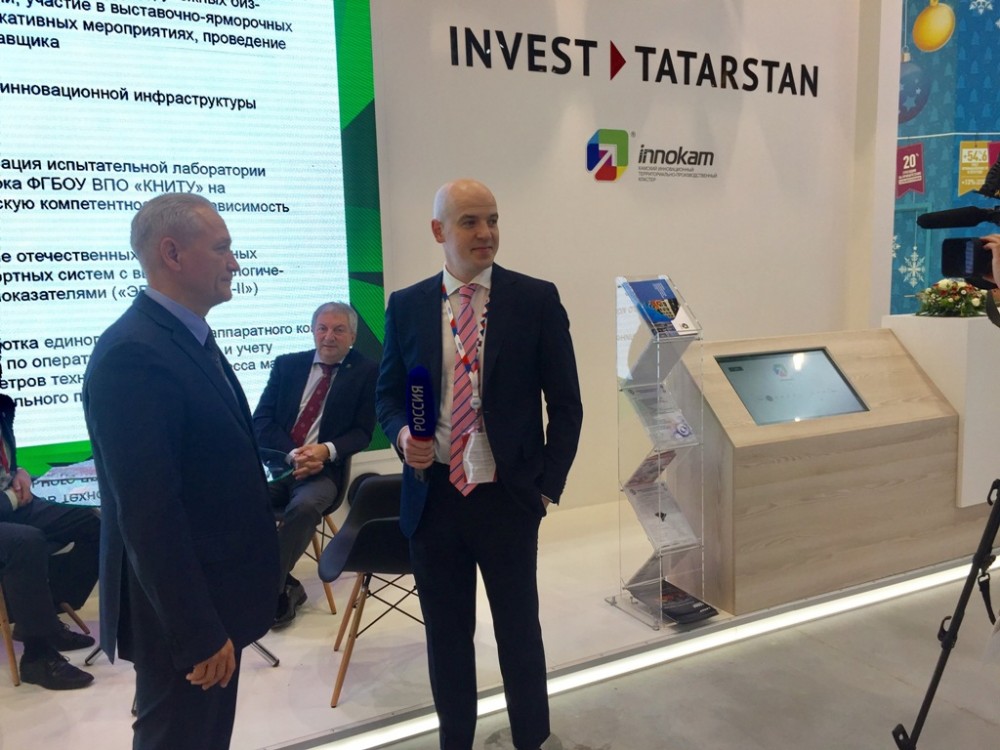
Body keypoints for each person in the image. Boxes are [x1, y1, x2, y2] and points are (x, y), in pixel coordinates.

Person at [375, 179, 584, 750]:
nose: (486, 232)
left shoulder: (535, 299)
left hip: (508, 497)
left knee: (519, 633)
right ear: (438, 231)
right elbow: (387, 395)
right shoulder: (407, 305)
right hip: (434, 499)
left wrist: (547, 486)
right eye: (470, 221)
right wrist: (402, 437)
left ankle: (531, 739)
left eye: (492, 219)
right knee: (447, 639)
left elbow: (566, 404)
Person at [82, 193, 279, 750]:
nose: (234, 263)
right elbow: (149, 514)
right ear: (171, 253)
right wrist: (198, 632)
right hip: (185, 619)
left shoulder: (185, 338)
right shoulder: (133, 354)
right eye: (221, 249)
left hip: (215, 600)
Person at [253, 301, 377, 628]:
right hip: (279, 466)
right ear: (312, 331)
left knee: (306, 507)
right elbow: (261, 421)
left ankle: (265, 587)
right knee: (235, 499)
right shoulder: (287, 365)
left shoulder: (367, 372)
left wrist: (324, 451)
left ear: (353, 336)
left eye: (338, 330)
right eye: (322, 328)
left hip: (324, 472)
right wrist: (293, 454)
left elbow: (362, 433)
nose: (328, 336)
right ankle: (281, 583)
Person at [1, 376, 99, 690]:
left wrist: (17, 472)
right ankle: (37, 656)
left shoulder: (3, 406)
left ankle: (47, 615)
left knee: (94, 521)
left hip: (11, 503)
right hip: (7, 507)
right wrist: (11, 497)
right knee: (25, 542)